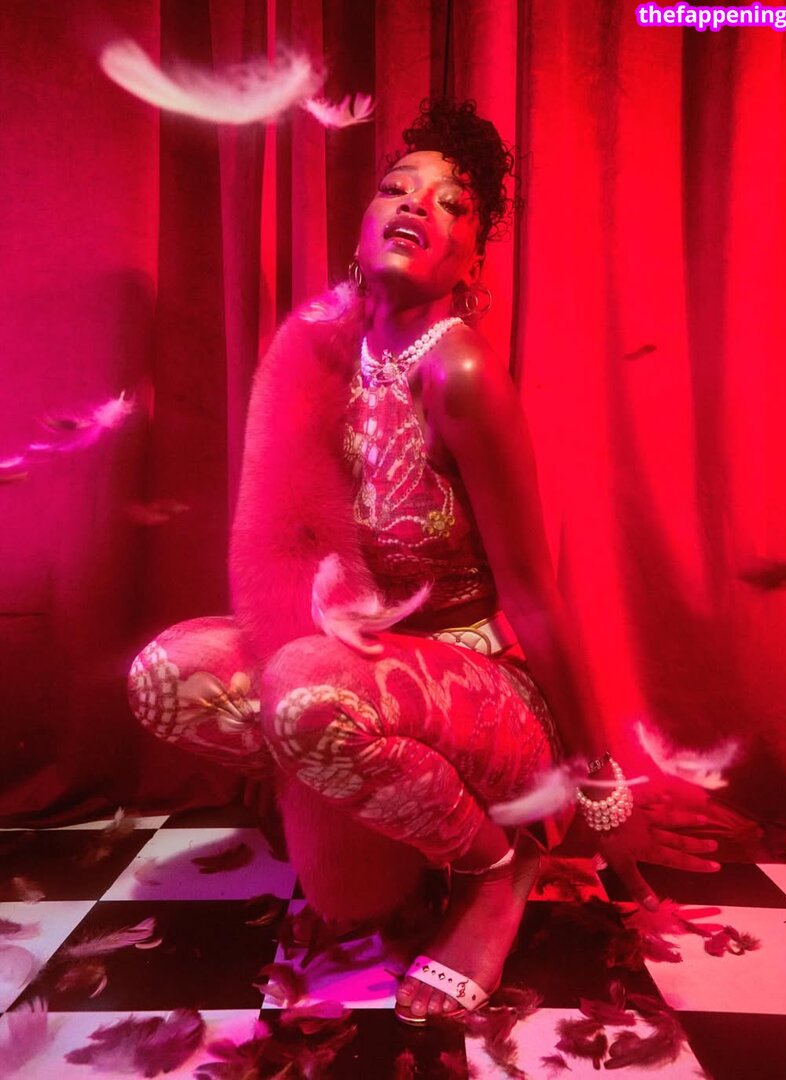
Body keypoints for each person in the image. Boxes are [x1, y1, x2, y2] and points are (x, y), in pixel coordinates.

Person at [129, 99, 719, 1026]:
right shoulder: (323, 358)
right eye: (397, 188)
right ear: (361, 229)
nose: (416, 204)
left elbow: (536, 595)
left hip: (484, 691)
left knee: (308, 692)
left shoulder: (460, 375)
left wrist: (602, 793)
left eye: (452, 204)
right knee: (168, 677)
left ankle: (497, 870)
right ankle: (380, 837)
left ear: (473, 261)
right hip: (358, 673)